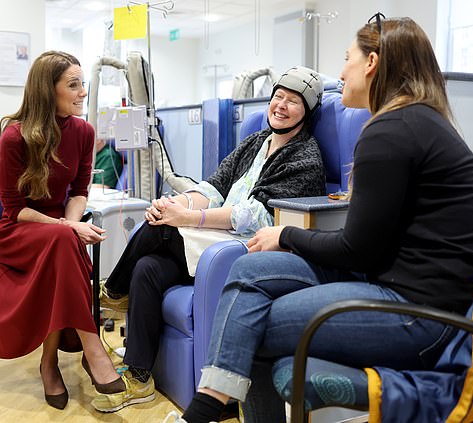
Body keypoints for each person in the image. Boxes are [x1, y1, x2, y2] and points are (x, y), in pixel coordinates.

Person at [164, 16, 473, 423]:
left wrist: (285, 233)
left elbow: (355, 249)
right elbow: (370, 245)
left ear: (371, 63)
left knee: (255, 329)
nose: (341, 72)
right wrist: (281, 238)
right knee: (249, 268)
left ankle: (204, 410)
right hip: (394, 284)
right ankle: (209, 406)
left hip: (419, 315)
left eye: (346, 58)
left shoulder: (391, 129)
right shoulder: (415, 121)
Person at [98, 66, 327, 412]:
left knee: (160, 228)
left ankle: (112, 293)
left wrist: (186, 218)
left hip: (243, 246)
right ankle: (139, 375)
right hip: (210, 237)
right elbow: (213, 187)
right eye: (278, 96)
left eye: (293, 101)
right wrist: (177, 203)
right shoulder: (255, 142)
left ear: (307, 111)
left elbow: (258, 217)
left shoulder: (306, 157)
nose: (281, 105)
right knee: (146, 266)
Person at [0, 51, 141, 411]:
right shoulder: (14, 138)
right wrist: (68, 226)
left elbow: (79, 192)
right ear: (49, 90)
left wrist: (71, 224)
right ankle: (94, 351)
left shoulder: (84, 132)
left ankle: (49, 364)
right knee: (65, 242)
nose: (82, 93)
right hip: (19, 231)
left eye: (83, 84)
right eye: (73, 85)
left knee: (63, 247)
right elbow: (15, 210)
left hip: (58, 233)